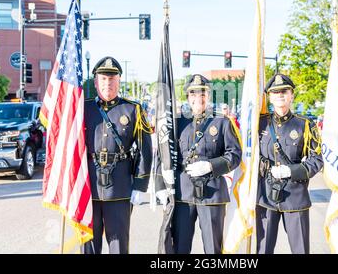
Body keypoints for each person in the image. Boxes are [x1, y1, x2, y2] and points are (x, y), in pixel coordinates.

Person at [82, 56, 153, 254]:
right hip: (88, 188)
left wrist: (140, 185)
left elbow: (145, 150)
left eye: (112, 79)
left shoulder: (133, 109)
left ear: (119, 81)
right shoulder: (82, 108)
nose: (108, 83)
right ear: (96, 82)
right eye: (103, 79)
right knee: (88, 244)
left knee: (119, 244)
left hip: (120, 187)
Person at [165, 74, 242, 254]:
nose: (198, 98)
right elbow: (167, 154)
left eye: (202, 93)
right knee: (180, 248)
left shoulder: (222, 121)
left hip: (212, 192)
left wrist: (210, 166)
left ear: (208, 95)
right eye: (193, 94)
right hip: (183, 193)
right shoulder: (177, 122)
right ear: (188, 96)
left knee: (213, 248)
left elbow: (235, 155)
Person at [256, 73, 323, 254]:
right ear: (269, 97)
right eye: (275, 92)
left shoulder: (305, 125)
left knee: (300, 249)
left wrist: (291, 171)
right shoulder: (259, 123)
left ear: (292, 94)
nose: (280, 95)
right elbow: (249, 156)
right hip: (265, 195)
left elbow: (316, 159)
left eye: (284, 91)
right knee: (263, 249)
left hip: (295, 195)